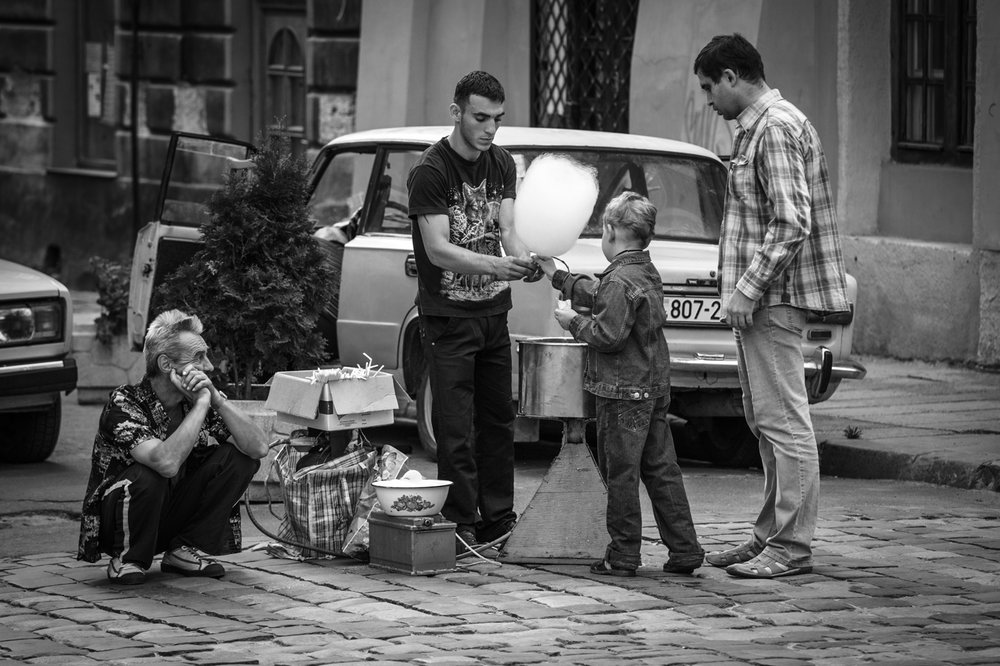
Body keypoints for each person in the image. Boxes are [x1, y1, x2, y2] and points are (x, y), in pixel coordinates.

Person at [693, 34, 851, 578]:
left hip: (774, 301)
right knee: (766, 422)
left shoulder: (776, 128)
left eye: (711, 87)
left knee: (785, 422)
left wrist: (747, 289)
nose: (709, 100)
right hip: (762, 303)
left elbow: (790, 222)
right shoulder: (757, 129)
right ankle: (769, 536)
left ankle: (790, 546)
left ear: (733, 77)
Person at [536, 192, 704, 577]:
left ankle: (623, 553)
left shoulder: (619, 279)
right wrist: (557, 276)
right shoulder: (644, 271)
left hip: (621, 393)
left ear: (610, 231)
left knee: (621, 474)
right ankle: (685, 548)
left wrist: (572, 323)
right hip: (653, 388)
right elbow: (601, 296)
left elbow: (608, 334)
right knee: (662, 470)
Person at [406, 70, 537, 553]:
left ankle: (498, 519)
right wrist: (496, 265)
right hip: (447, 318)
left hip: (492, 316)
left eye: (498, 120)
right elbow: (438, 249)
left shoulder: (501, 162)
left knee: (499, 421)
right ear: (456, 112)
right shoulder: (431, 170)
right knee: (456, 427)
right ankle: (460, 522)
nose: (490, 129)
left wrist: (526, 258)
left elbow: (509, 230)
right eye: (480, 118)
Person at [77, 309, 269, 584]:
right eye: (199, 358)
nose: (210, 367)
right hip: (121, 522)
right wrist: (201, 404)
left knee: (240, 458)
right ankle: (127, 558)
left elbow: (259, 448)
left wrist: (216, 400)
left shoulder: (195, 398)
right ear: (166, 364)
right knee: (150, 472)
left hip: (169, 514)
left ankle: (183, 549)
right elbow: (165, 463)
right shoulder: (124, 403)